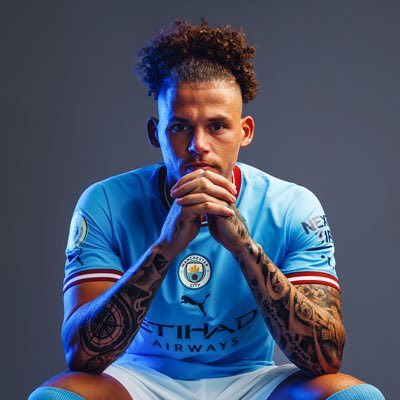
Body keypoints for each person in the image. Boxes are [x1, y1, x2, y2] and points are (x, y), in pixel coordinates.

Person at [29, 19, 385, 400]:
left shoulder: (292, 207)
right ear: (155, 133)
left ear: (245, 132)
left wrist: (244, 248)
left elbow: (326, 358)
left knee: (357, 397)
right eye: (180, 127)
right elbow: (81, 355)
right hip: (139, 380)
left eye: (217, 126)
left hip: (250, 380)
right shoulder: (105, 202)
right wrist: (165, 247)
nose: (198, 145)